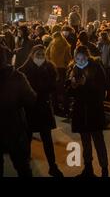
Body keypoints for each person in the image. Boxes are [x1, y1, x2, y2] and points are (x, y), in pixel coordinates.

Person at [18, 45, 63, 177]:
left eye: (42, 55)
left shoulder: (49, 68)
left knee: (47, 140)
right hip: (29, 109)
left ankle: (52, 166)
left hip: (43, 108)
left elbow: (53, 86)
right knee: (27, 139)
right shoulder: (23, 70)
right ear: (31, 55)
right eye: (38, 55)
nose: (40, 57)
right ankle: (25, 167)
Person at [66, 45, 108, 177]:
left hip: (94, 110)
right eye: (77, 58)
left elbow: (102, 88)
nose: (80, 60)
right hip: (80, 111)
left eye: (82, 57)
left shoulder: (96, 67)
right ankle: (88, 168)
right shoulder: (73, 68)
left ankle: (104, 169)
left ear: (87, 56)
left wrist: (87, 84)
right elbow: (68, 91)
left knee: (98, 141)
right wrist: (72, 86)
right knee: (85, 142)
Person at [0, 45, 36, 177]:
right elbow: (31, 99)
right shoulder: (17, 76)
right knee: (23, 167)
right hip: (14, 127)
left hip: (12, 127)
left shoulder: (17, 76)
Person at [46, 32, 72, 116]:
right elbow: (68, 58)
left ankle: (55, 107)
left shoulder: (52, 43)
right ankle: (66, 108)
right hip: (62, 69)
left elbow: (46, 54)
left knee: (53, 89)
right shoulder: (65, 45)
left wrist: (50, 63)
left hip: (53, 68)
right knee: (63, 89)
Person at [97, 31, 110, 99]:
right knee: (102, 80)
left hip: (106, 65)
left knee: (107, 80)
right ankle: (102, 93)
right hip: (101, 64)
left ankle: (108, 93)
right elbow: (97, 52)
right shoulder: (100, 45)